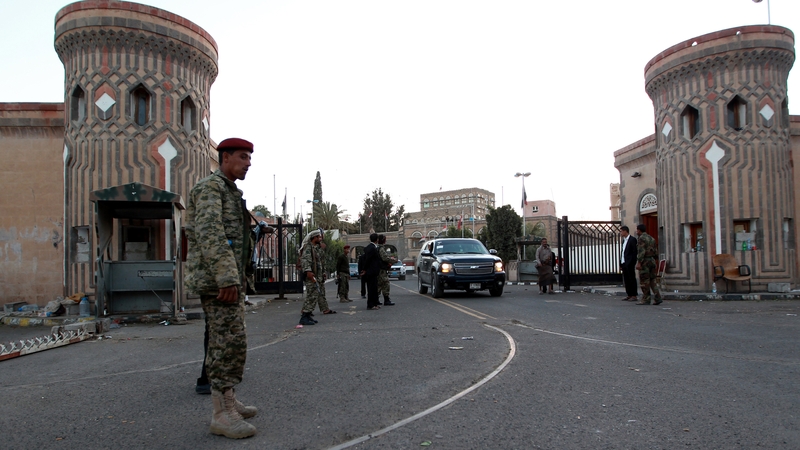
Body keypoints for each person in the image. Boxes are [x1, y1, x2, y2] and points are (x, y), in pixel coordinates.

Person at [184, 137, 258, 439]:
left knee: (232, 343)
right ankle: (220, 414)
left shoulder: (229, 192)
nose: (248, 163)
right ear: (224, 158)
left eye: (250, 158)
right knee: (223, 344)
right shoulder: (209, 189)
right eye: (243, 157)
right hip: (219, 281)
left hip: (229, 279)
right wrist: (227, 277)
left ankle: (228, 401)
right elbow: (210, 233)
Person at [299, 230, 336, 325]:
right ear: (314, 238)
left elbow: (319, 262)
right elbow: (305, 261)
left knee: (314, 296)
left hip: (316, 276)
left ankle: (307, 316)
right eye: (318, 237)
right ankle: (304, 317)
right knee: (311, 296)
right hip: (311, 275)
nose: (320, 239)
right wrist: (308, 272)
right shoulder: (308, 247)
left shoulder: (314, 248)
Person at [635, 223, 662, 305]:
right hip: (652, 261)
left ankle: (646, 299)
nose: (636, 231)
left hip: (645, 262)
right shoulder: (651, 238)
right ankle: (657, 297)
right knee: (652, 280)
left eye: (637, 230)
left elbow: (641, 251)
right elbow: (655, 251)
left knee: (644, 281)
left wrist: (639, 262)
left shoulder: (641, 238)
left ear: (639, 230)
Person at [360, 233, 382, 309]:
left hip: (373, 271)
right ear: (377, 239)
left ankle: (375, 303)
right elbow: (368, 260)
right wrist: (364, 269)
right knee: (371, 288)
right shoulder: (371, 248)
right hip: (371, 271)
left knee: (374, 288)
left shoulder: (372, 247)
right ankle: (371, 304)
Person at [619, 226, 638, 302]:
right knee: (626, 279)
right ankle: (629, 294)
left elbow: (634, 252)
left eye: (621, 231)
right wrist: (621, 263)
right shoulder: (624, 240)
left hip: (629, 263)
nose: (620, 233)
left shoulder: (632, 240)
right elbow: (623, 252)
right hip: (624, 262)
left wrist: (632, 262)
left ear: (625, 231)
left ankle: (634, 295)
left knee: (631, 278)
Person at [377, 234, 396, 306]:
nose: (386, 240)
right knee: (385, 284)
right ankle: (386, 300)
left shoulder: (378, 248)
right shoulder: (381, 249)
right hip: (381, 270)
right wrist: (393, 261)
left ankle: (377, 300)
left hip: (380, 269)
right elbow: (384, 258)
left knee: (379, 285)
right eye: (385, 239)